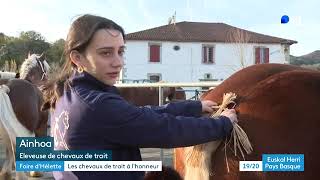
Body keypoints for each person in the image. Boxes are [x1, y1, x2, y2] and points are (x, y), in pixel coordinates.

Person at [44, 14, 238, 180]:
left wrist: (193, 107)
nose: (118, 62)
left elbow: (137, 115)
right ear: (77, 58)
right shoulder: (96, 104)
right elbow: (164, 130)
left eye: (120, 51)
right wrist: (223, 124)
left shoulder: (67, 93)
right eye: (106, 53)